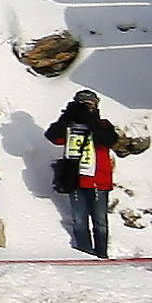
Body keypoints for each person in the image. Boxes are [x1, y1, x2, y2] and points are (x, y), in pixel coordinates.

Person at [44, 90, 136, 257]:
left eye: (90, 104)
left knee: (100, 222)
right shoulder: (70, 126)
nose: (87, 107)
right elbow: (52, 136)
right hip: (75, 179)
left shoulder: (103, 125)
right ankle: (85, 254)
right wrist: (68, 116)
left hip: (99, 180)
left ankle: (101, 255)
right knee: (79, 221)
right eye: (82, 103)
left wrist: (91, 120)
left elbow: (109, 141)